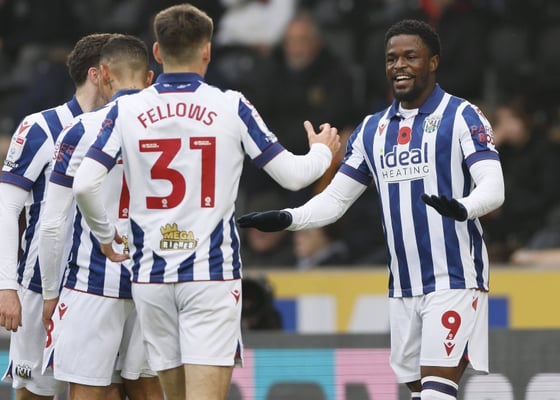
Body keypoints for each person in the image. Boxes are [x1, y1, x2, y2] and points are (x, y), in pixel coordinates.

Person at [70, 4, 340, 400]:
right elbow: (294, 175)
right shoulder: (231, 105)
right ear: (207, 51)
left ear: (157, 52)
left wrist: (106, 236)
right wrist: (321, 151)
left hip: (151, 278)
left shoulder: (126, 109)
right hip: (209, 275)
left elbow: (83, 185)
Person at [238, 19, 505, 400]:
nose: (399, 65)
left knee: (436, 391)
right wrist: (289, 218)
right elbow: (336, 201)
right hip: (403, 286)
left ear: (433, 62)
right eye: (392, 58)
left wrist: (464, 207)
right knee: (420, 390)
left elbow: (494, 188)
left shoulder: (463, 116)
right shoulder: (372, 130)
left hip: (455, 278)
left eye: (411, 57)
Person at [38, 34, 163, 400]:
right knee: (149, 388)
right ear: (149, 79)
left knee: (89, 391)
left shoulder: (80, 129)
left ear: (104, 74)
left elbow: (52, 224)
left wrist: (50, 293)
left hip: (93, 282)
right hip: (154, 280)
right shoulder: (172, 130)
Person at [0, 32, 114, 400]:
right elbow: (6, 207)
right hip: (39, 287)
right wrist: (6, 286)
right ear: (97, 74)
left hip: (102, 285)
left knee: (109, 390)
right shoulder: (41, 127)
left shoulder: (127, 129)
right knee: (35, 394)